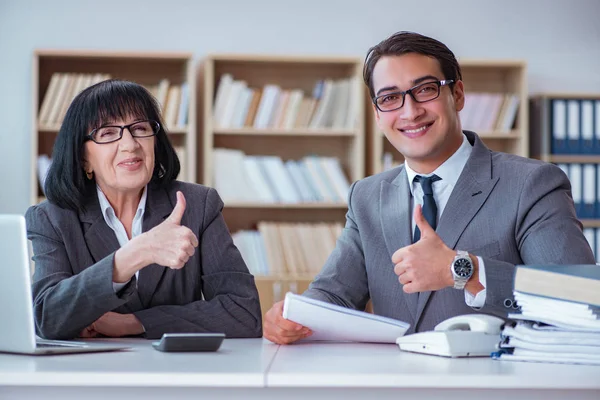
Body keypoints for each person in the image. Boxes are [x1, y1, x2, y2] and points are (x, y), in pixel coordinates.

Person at [263, 31, 596, 344]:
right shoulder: (367, 196)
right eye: (390, 97)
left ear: (458, 95)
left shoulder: (531, 184)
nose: (410, 111)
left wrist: (464, 270)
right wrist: (293, 315)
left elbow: (579, 297)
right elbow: (334, 293)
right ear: (378, 115)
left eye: (425, 90)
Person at [26, 79, 262, 340]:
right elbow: (46, 317)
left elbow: (244, 313)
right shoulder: (52, 218)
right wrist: (135, 254)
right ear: (84, 158)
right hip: (93, 374)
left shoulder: (198, 204)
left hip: (178, 371)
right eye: (107, 132)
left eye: (139, 128)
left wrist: (136, 322)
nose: (130, 144)